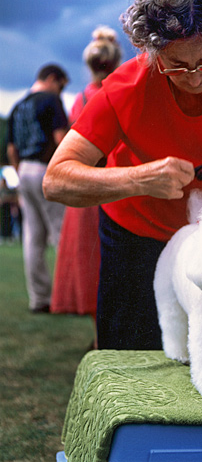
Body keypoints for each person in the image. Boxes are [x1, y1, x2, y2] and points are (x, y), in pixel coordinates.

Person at [43, 0, 202, 350]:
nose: (195, 77)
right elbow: (57, 179)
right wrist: (139, 179)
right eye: (177, 64)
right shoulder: (124, 88)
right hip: (134, 235)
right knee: (128, 354)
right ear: (151, 48)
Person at [50, 27, 123, 347]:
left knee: (89, 266)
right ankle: (109, 336)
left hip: (85, 192)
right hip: (115, 189)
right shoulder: (120, 91)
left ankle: (99, 336)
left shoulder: (80, 99)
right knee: (114, 267)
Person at [7, 64, 69, 313]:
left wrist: (20, 173)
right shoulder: (51, 100)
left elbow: (11, 149)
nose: (62, 91)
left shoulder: (17, 106)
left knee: (32, 238)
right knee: (61, 233)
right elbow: (61, 140)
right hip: (47, 170)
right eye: (62, 85)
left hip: (23, 171)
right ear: (53, 79)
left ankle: (39, 299)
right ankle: (68, 298)